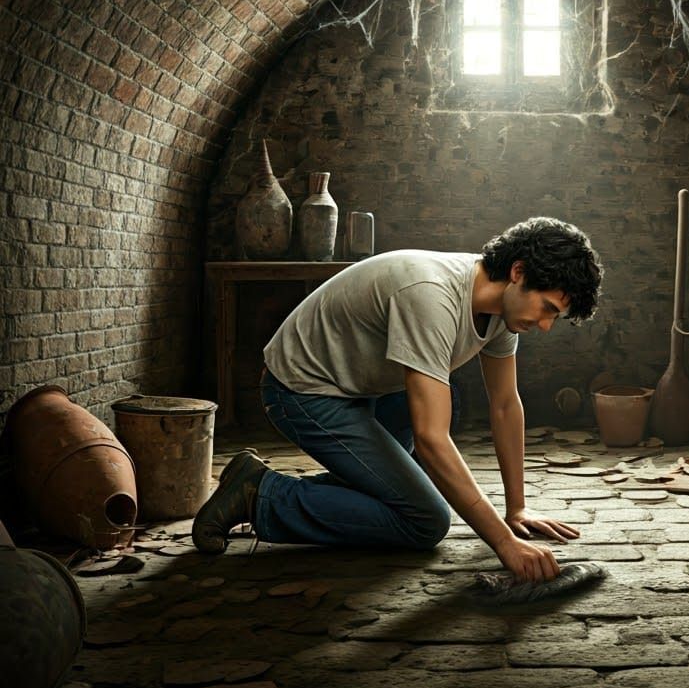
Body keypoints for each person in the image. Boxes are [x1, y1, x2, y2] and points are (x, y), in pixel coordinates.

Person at [193, 217, 603, 583]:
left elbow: (504, 404)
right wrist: (502, 542)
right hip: (302, 390)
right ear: (518, 272)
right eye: (547, 308)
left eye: (556, 317)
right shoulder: (432, 294)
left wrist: (517, 510)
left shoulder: (503, 312)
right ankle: (259, 494)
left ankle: (287, 485)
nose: (546, 326)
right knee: (425, 519)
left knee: (448, 402)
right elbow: (430, 439)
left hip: (364, 390)